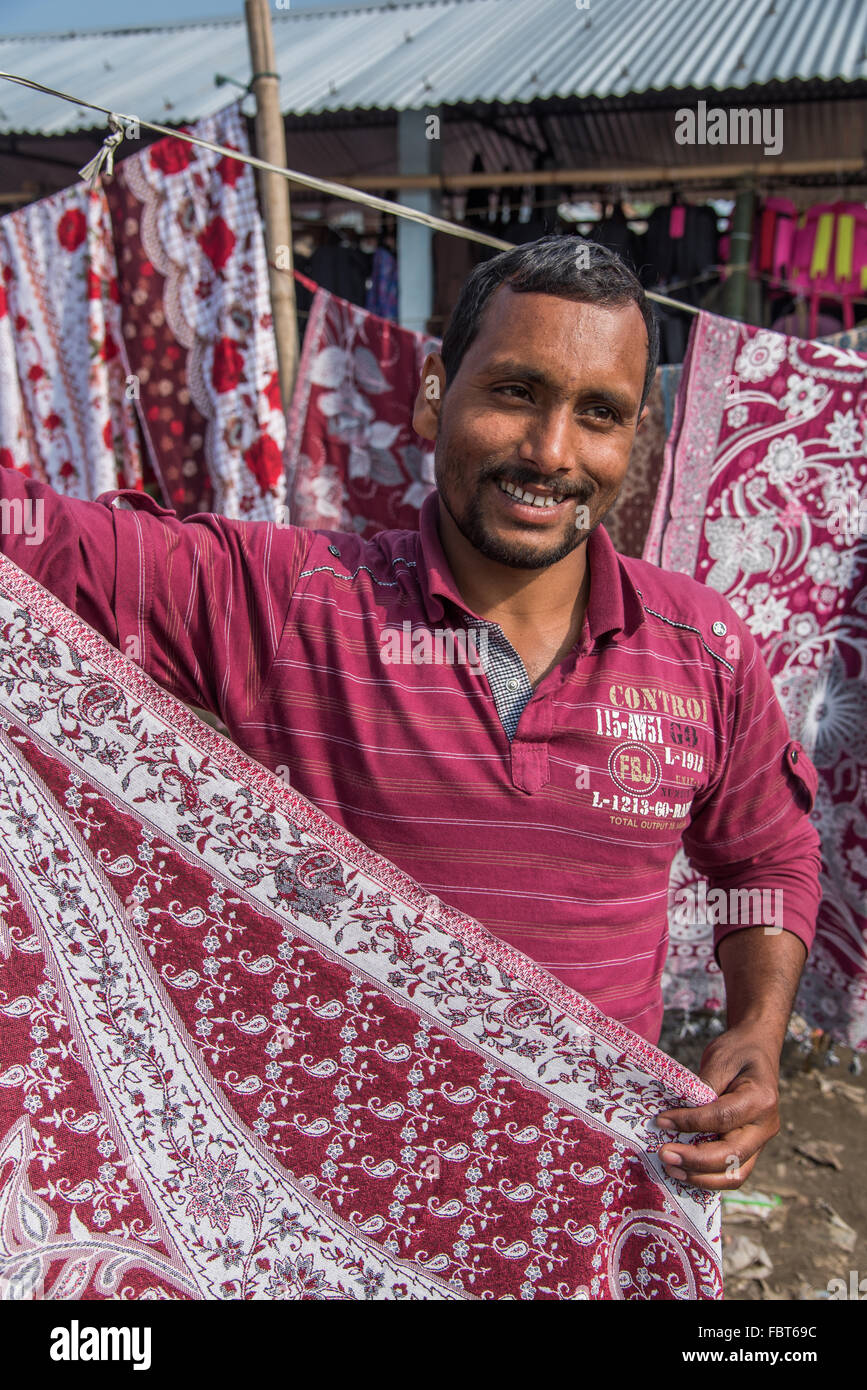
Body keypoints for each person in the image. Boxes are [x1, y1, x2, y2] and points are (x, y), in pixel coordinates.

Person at [0, 234, 821, 1194]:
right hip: (337, 1211)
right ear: (435, 393)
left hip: (595, 1195)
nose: (551, 455)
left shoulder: (702, 646)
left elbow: (766, 858)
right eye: (514, 392)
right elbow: (37, 541)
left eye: (597, 415)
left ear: (631, 441)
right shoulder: (301, 602)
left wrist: (756, 1031)